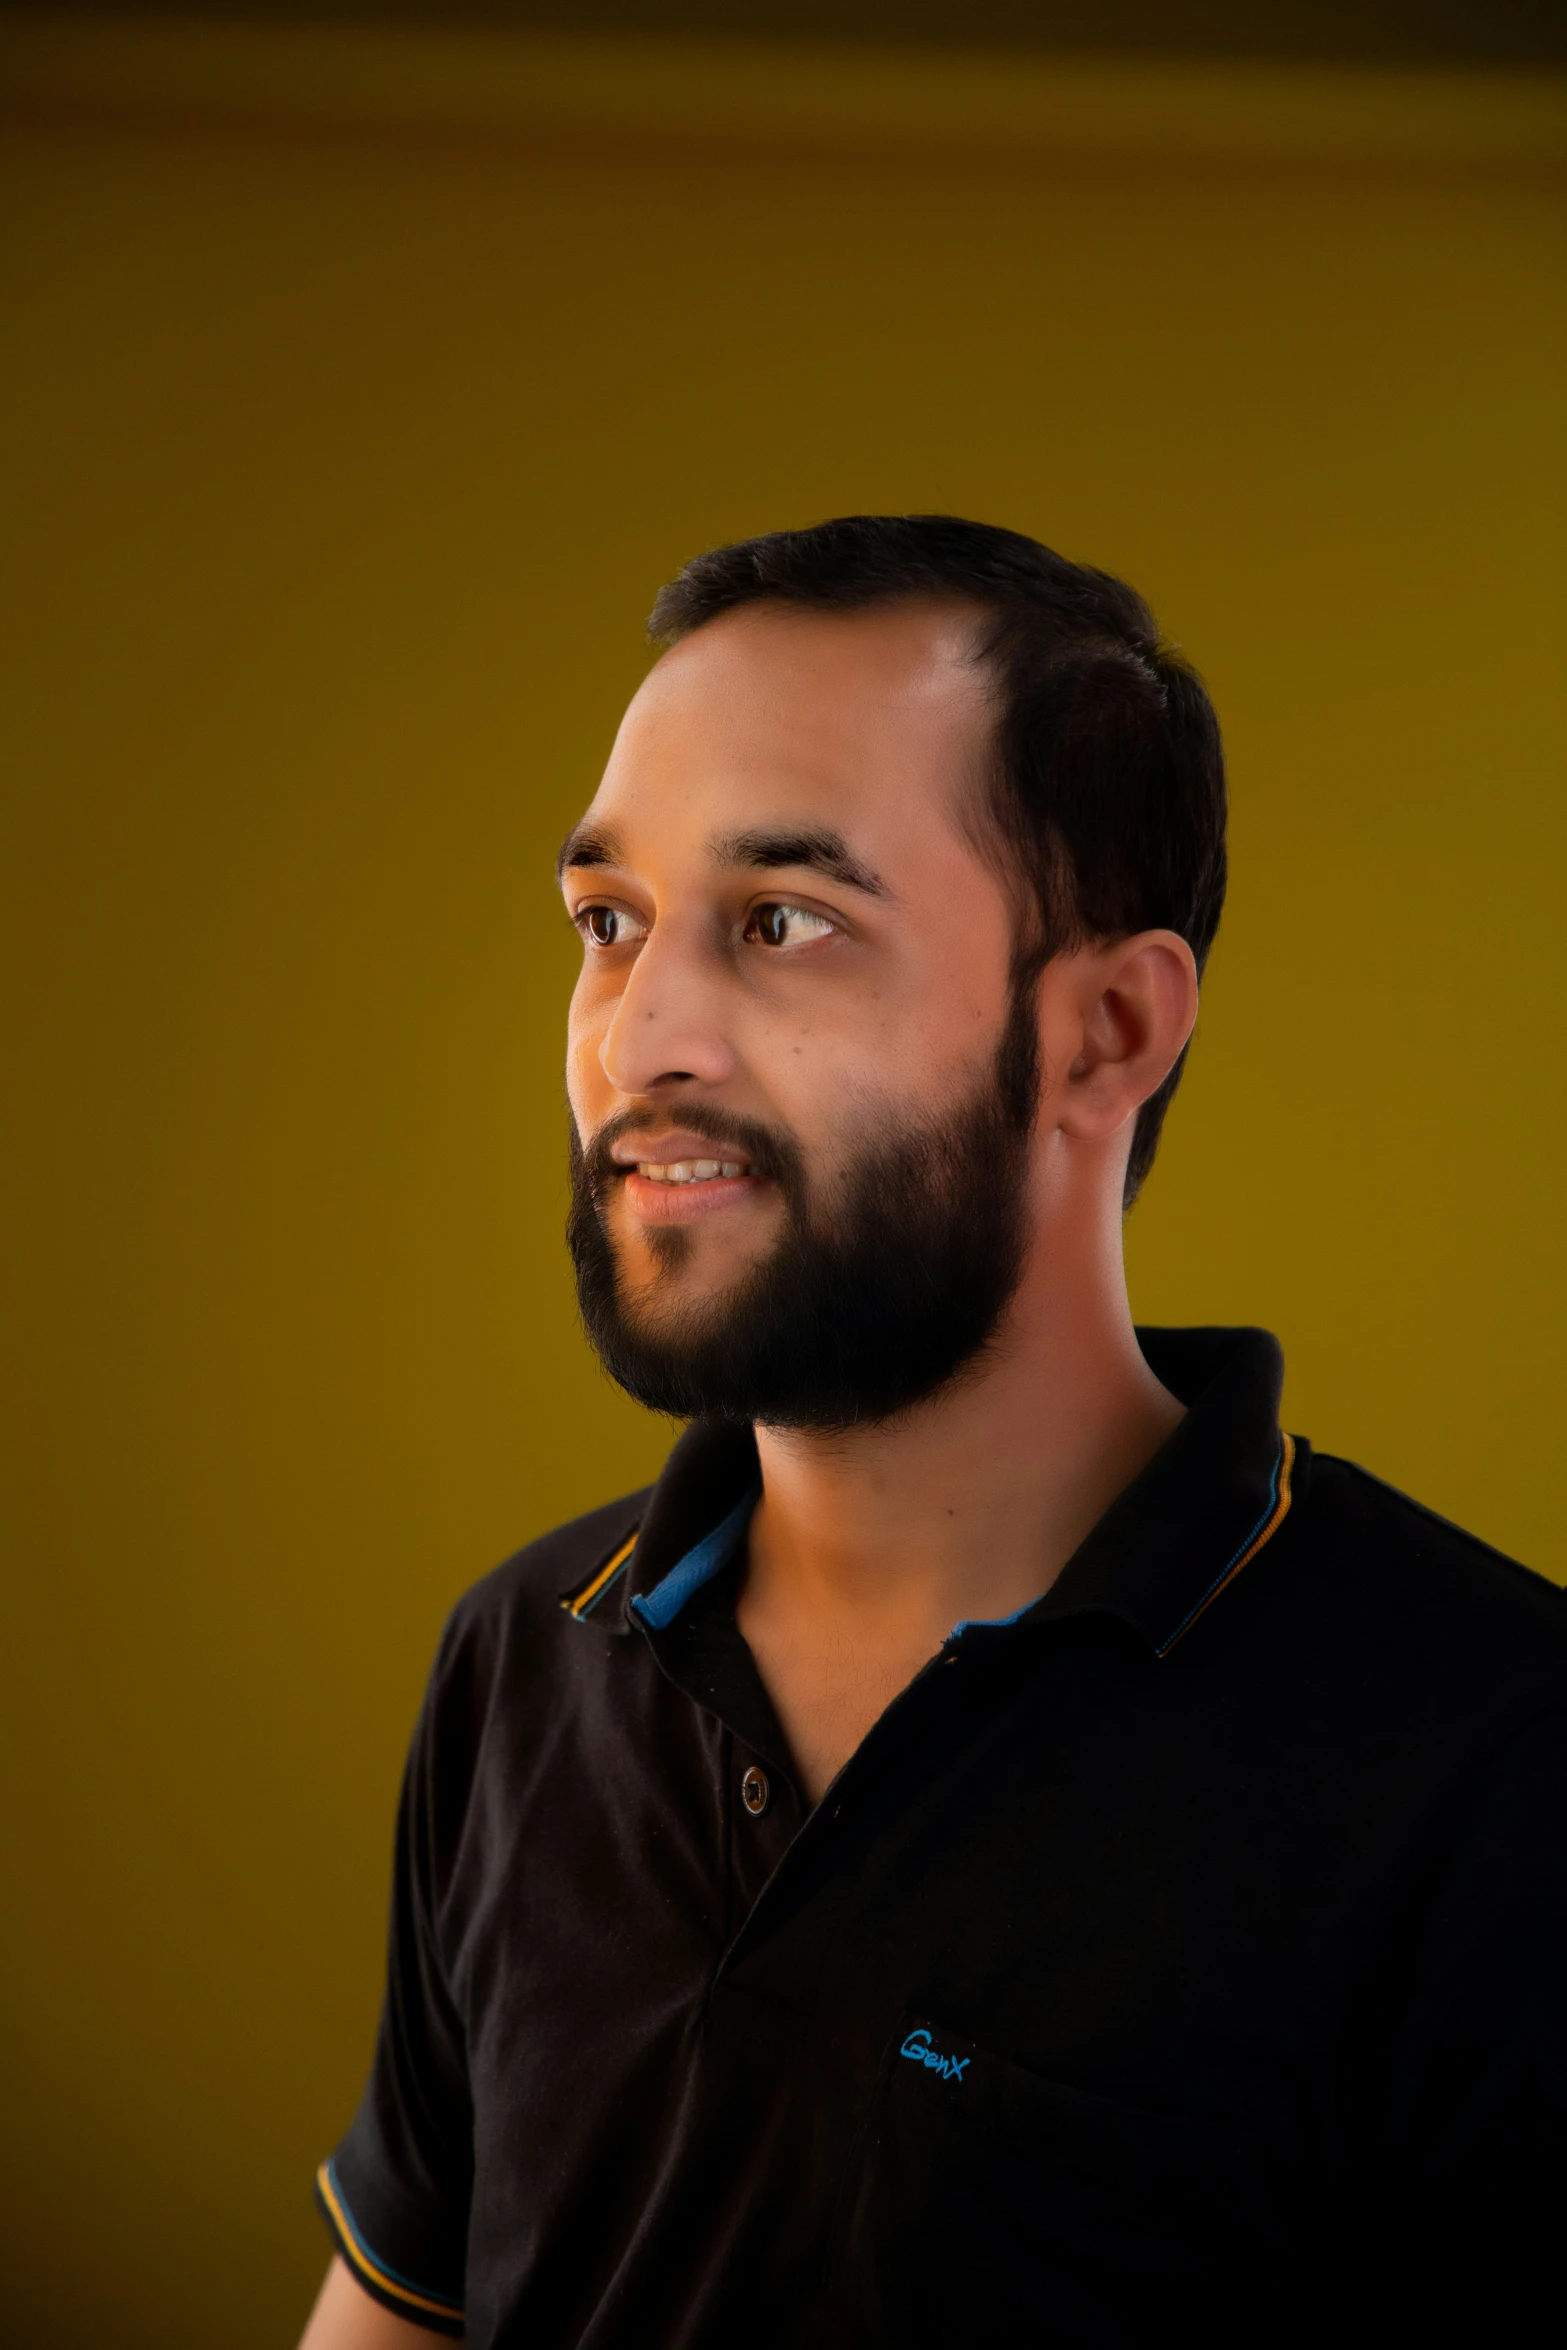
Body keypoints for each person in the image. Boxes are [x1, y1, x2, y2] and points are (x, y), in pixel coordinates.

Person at [299, 517, 1564, 2350]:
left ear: (1103, 1031)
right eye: (606, 923)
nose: (639, 1032)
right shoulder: (520, 1662)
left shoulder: (1491, 1763)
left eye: (784, 922)